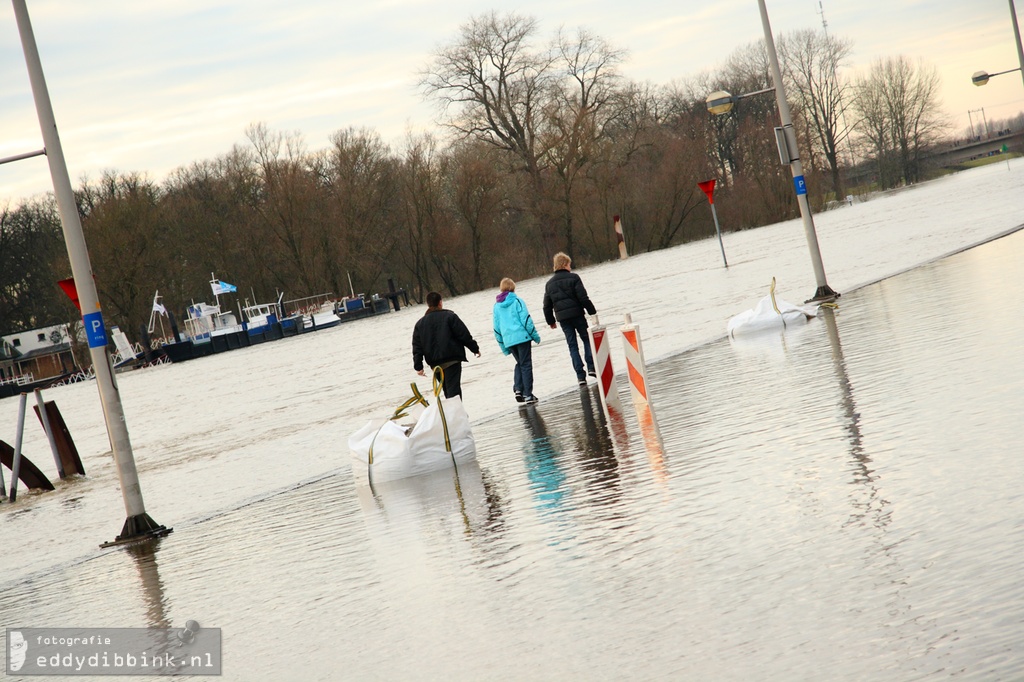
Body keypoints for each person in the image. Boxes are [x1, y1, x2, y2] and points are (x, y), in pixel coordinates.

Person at [412, 291, 481, 400]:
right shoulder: (450, 317)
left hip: (435, 364)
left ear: (428, 304)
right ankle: (456, 414)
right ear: (440, 303)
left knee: (447, 390)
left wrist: (418, 366)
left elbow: (417, 347)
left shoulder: (420, 324)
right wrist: (474, 349)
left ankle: (451, 414)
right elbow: (463, 334)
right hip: (452, 360)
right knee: (454, 390)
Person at [543, 252, 597, 386]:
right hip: (578, 315)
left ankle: (580, 376)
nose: (570, 267)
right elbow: (583, 298)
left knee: (572, 345)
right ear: (565, 264)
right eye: (569, 264)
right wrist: (592, 312)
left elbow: (546, 306)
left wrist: (551, 321)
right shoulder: (574, 278)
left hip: (563, 319)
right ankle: (591, 367)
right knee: (586, 339)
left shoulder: (549, 284)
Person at [493, 278, 542, 405]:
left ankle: (519, 389)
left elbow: (496, 328)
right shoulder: (517, 301)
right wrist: (535, 336)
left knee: (520, 363)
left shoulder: (496, 307)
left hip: (508, 340)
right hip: (522, 338)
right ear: (513, 288)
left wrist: (503, 346)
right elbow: (526, 320)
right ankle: (528, 395)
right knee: (526, 364)